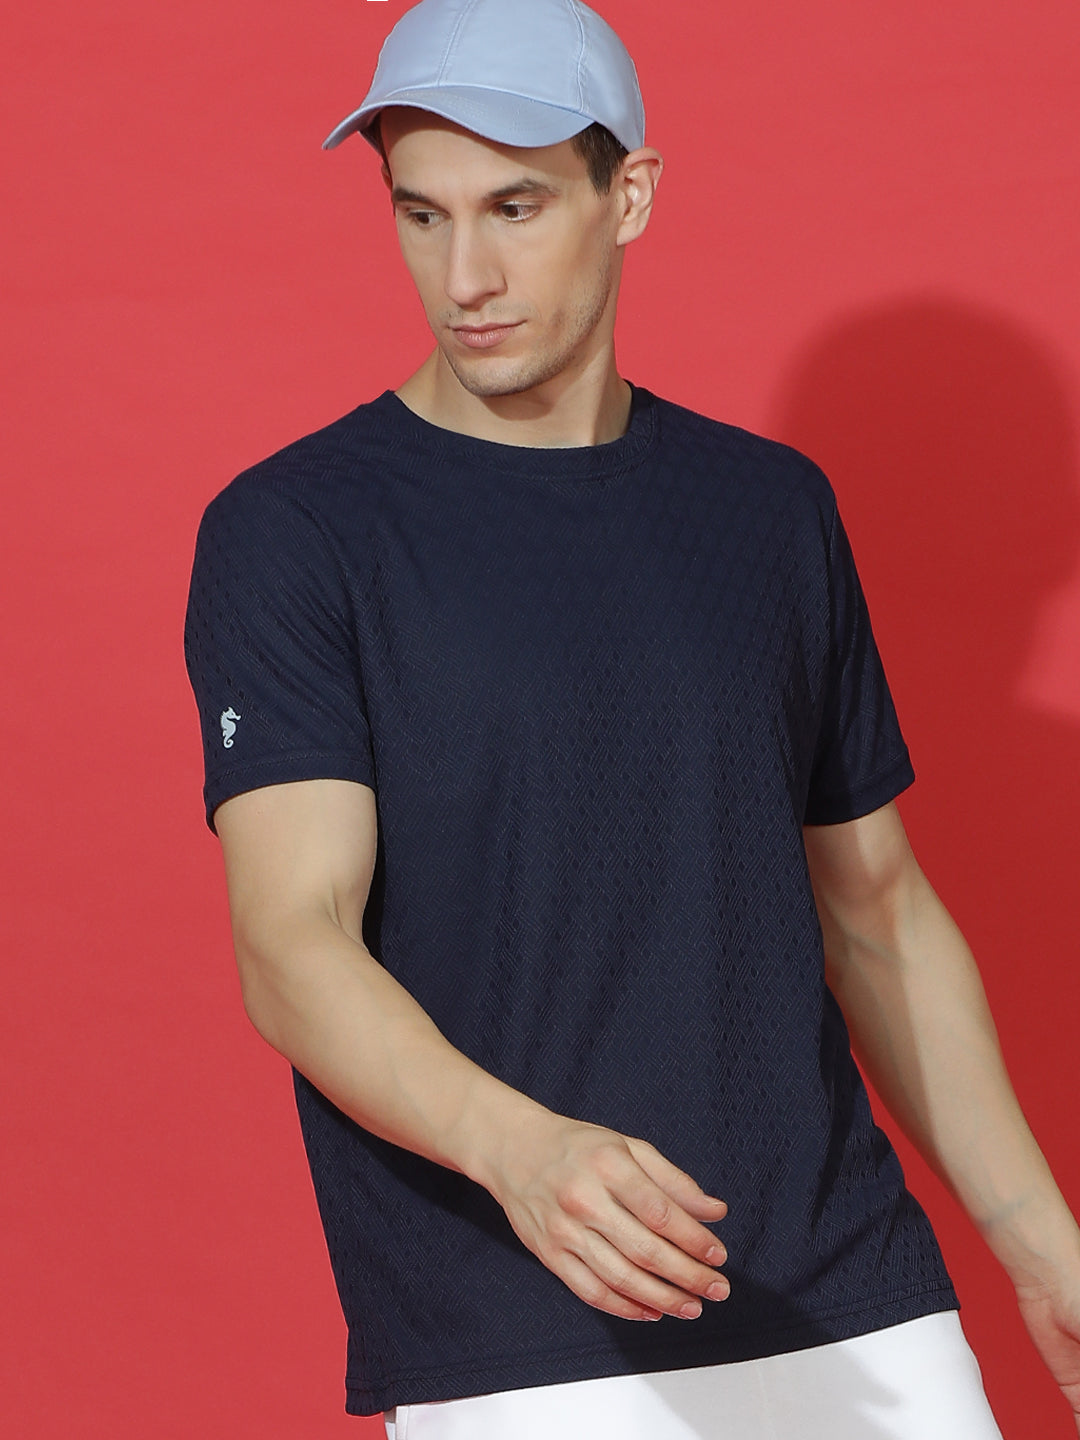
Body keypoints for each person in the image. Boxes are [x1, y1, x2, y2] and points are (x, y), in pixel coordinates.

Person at [182, 1, 1080, 1435]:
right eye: (420, 214)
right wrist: (520, 1152)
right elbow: (292, 943)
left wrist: (1042, 1246)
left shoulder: (768, 513)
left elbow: (878, 916)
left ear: (632, 195)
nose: (464, 275)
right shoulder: (299, 532)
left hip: (852, 1298)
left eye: (515, 207)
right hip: (522, 1331)